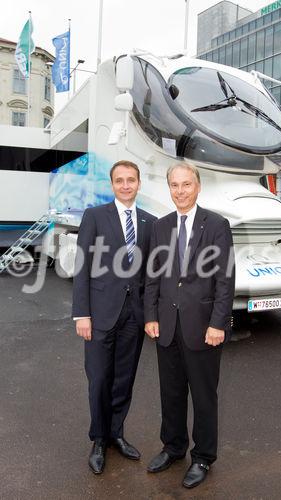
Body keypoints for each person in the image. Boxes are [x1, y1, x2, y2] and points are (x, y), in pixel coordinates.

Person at [144, 162, 235, 489]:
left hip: (203, 327)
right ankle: (173, 447)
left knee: (204, 395)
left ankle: (203, 457)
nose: (180, 191)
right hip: (167, 324)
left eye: (186, 184)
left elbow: (225, 279)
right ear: (169, 188)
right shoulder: (160, 226)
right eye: (175, 185)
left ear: (198, 186)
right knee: (170, 393)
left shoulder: (217, 225)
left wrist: (218, 323)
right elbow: (153, 276)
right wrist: (150, 315)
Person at [72, 160, 156, 474]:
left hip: (133, 317)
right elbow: (82, 267)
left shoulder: (150, 222)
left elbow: (151, 274)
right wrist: (82, 313)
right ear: (112, 185)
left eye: (130, 180)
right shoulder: (95, 217)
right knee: (99, 381)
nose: (125, 185)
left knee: (124, 380)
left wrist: (151, 315)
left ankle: (116, 434)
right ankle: (98, 439)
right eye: (119, 180)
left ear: (138, 184)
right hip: (98, 315)